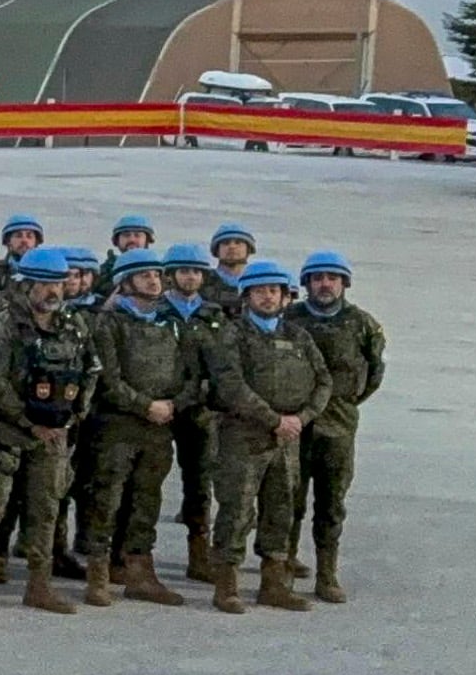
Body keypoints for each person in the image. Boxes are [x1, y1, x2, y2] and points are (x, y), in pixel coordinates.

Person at [0, 249, 101, 615]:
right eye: (44, 283)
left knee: (46, 510)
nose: (52, 291)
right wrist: (29, 423)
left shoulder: (73, 324)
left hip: (55, 435)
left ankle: (39, 586)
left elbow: (91, 369)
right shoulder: (5, 325)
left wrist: (73, 416)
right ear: (26, 285)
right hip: (10, 434)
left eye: (57, 283)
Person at [206, 257, 330, 613]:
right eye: (260, 291)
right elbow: (230, 385)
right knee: (237, 510)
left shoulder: (298, 336)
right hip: (243, 437)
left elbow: (323, 382)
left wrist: (301, 419)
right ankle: (226, 585)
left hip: (287, 439)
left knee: (281, 510)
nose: (267, 297)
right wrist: (273, 418)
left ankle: (274, 584)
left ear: (285, 296)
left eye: (273, 291)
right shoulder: (232, 334)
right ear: (247, 296)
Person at [86, 250, 197, 608]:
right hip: (118, 427)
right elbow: (107, 378)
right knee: (107, 499)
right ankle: (99, 574)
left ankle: (139, 571)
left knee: (146, 501)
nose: (153, 281)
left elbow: (191, 374)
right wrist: (144, 405)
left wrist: (173, 405)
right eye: (144, 275)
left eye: (156, 274)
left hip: (159, 427)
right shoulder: (109, 323)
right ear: (127, 281)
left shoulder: (173, 322)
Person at [290, 250, 382, 603]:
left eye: (332, 278)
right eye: (317, 278)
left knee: (331, 503)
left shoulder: (362, 324)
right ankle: (281, 566)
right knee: (287, 500)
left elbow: (374, 373)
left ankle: (327, 574)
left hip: (338, 427)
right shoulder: (290, 319)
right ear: (307, 284)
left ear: (344, 283)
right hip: (295, 424)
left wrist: (346, 404)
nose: (325, 284)